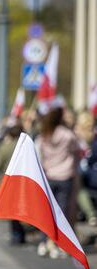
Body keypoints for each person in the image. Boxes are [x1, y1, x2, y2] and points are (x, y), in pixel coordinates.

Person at [36, 107, 80, 259]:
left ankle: (43, 242)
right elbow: (76, 150)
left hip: (49, 175)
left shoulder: (44, 135)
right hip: (65, 176)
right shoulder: (68, 135)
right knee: (61, 213)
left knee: (48, 212)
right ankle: (56, 244)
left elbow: (40, 153)